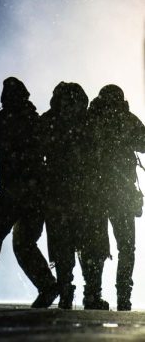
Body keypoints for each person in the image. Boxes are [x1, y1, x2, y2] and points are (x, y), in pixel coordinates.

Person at [0, 77, 58, 308]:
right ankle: (47, 285)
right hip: (35, 195)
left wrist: (0, 120)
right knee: (25, 244)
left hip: (11, 193)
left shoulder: (5, 119)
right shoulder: (36, 120)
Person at [41, 82, 108, 310]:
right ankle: (90, 294)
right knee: (91, 248)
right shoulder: (89, 121)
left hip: (63, 195)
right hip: (86, 195)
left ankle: (67, 291)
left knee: (64, 248)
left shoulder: (50, 122)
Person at [88, 84, 145, 311]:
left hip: (96, 193)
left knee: (96, 248)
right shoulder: (126, 119)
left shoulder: (92, 119)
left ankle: (93, 294)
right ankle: (123, 296)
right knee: (125, 247)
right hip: (119, 193)